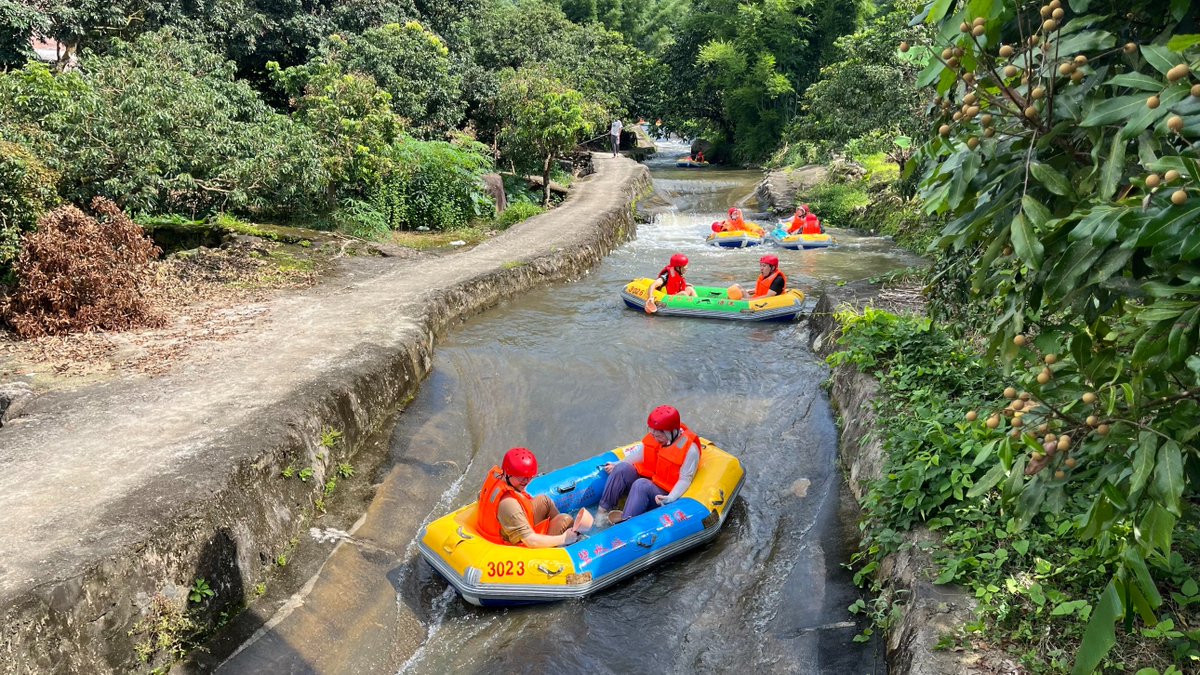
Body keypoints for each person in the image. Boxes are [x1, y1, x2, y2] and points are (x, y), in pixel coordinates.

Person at [597, 406, 702, 525]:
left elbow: (685, 479)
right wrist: (617, 463)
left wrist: (671, 497)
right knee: (622, 468)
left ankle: (625, 524)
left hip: (662, 493)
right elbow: (638, 454)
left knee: (641, 484)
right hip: (651, 480)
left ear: (672, 432)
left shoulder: (690, 450)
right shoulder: (654, 437)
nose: (655, 439)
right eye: (653, 435)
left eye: (659, 436)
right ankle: (602, 513)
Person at [476, 447, 578, 548]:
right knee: (565, 520)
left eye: (530, 476)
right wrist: (564, 538)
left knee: (544, 501)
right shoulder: (508, 504)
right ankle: (564, 544)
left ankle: (560, 532)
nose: (526, 481)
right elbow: (530, 541)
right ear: (508, 473)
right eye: (521, 476)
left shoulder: (498, 477)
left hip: (505, 529)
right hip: (515, 547)